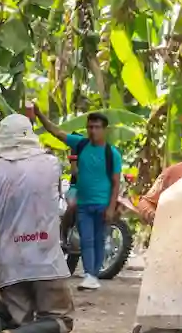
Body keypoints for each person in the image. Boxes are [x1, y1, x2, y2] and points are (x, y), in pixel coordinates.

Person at [0, 114, 74, 333]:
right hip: (46, 260)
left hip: (10, 263)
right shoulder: (51, 164)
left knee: (21, 322)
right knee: (59, 321)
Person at [36, 106, 123, 290]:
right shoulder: (81, 144)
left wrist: (110, 208)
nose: (93, 131)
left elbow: (116, 183)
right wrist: (38, 113)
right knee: (86, 240)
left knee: (98, 239)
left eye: (97, 127)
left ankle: (93, 274)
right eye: (90, 127)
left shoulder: (112, 154)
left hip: (102, 204)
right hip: (83, 203)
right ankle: (90, 275)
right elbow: (56, 132)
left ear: (104, 129)